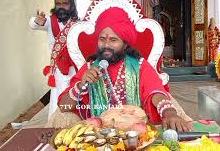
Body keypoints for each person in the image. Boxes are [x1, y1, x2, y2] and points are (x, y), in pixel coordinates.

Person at [58, 7, 191, 132]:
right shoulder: (90, 67)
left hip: (136, 130)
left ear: (125, 44)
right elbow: (64, 106)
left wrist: (170, 113)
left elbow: (154, 92)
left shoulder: (139, 65)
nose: (106, 45)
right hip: (99, 132)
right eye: (102, 39)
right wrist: (81, 86)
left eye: (113, 40)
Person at [29, 0, 78, 117]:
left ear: (71, 6)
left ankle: (73, 119)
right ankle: (56, 121)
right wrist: (36, 21)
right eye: (58, 4)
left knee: (73, 93)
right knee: (58, 93)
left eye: (65, 4)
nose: (61, 6)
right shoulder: (49, 22)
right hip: (58, 69)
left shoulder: (78, 23)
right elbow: (33, 25)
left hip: (74, 67)